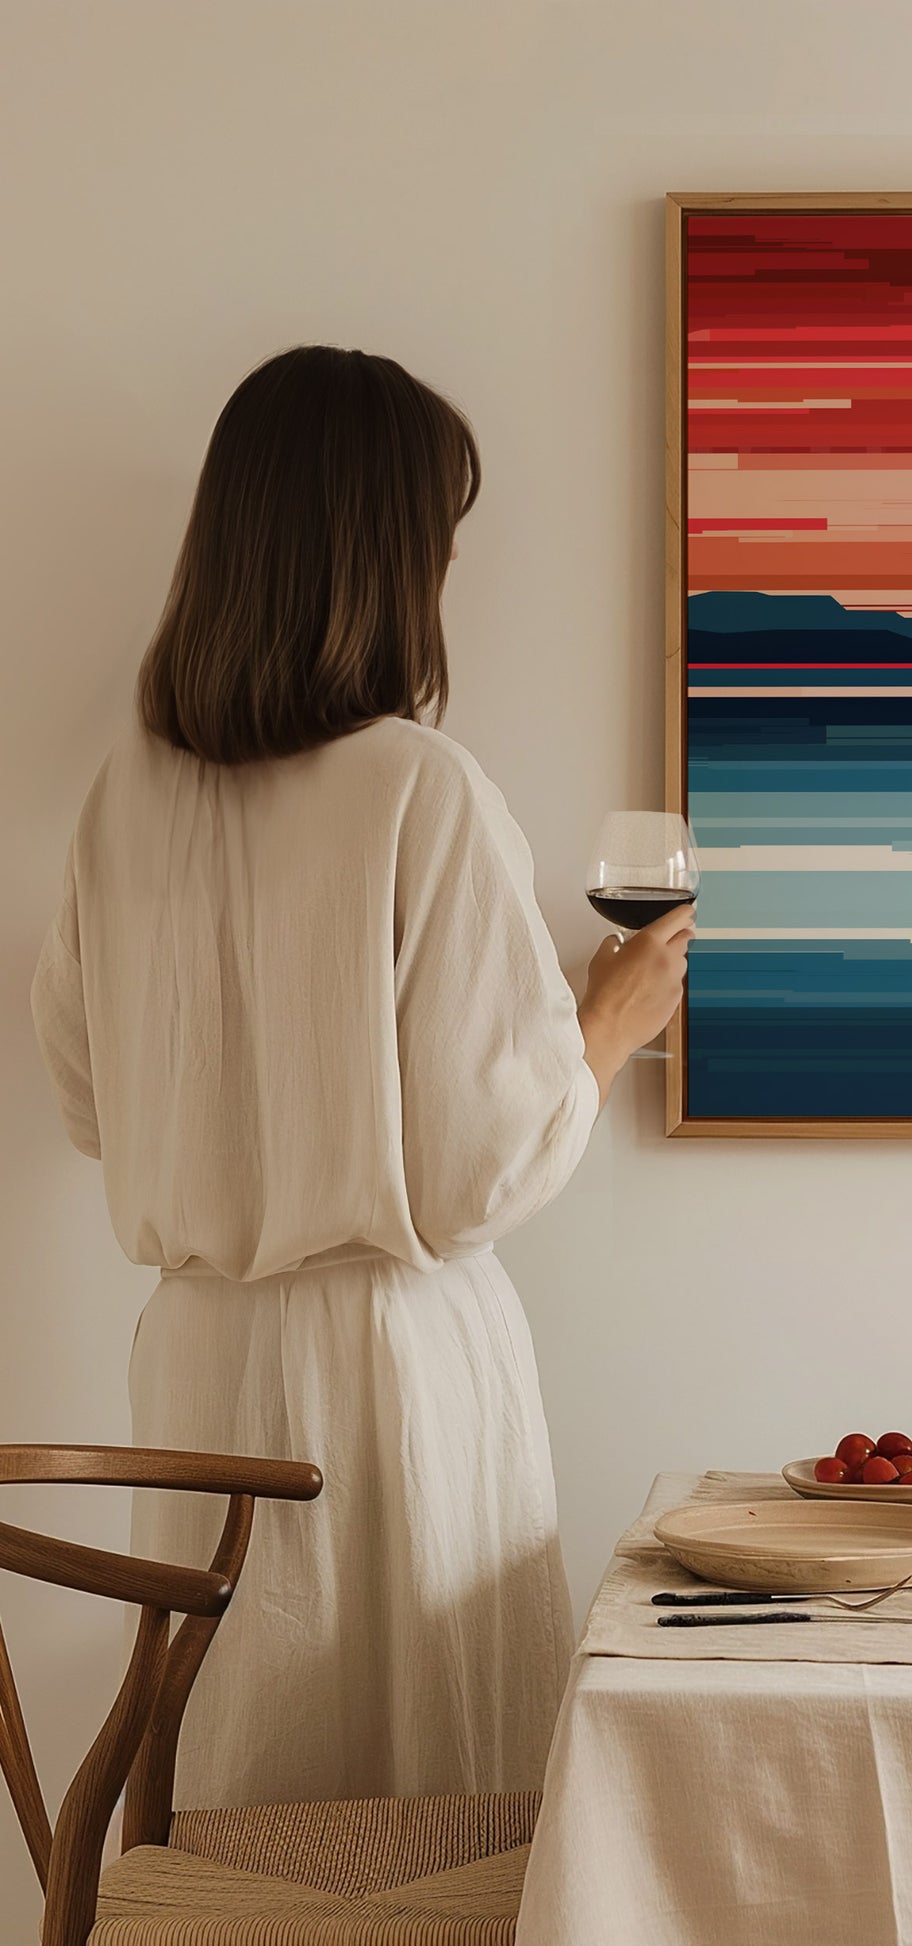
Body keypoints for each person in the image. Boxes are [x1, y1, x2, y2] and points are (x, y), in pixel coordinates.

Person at [29, 345, 690, 1806]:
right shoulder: (417, 785)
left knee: (241, 1792)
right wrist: (606, 1020)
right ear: (387, 556)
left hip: (198, 1362)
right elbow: (474, 1172)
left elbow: (87, 1100)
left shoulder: (122, 798)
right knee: (424, 1812)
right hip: (390, 1373)